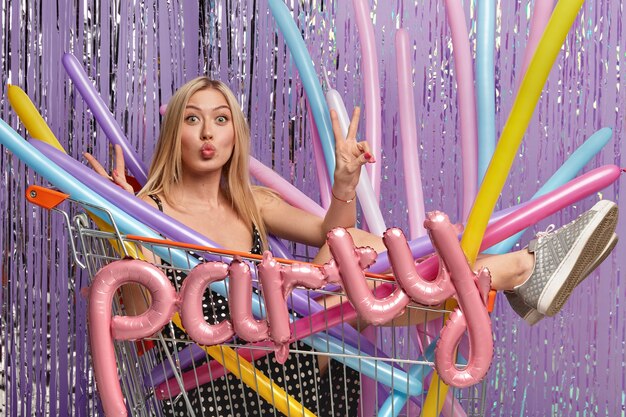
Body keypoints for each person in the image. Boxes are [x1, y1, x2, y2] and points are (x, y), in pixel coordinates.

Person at [85, 76, 618, 416]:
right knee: (358, 273)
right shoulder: (146, 213)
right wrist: (117, 227)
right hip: (216, 382)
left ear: (233, 137)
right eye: (192, 118)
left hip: (289, 351)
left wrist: (344, 186)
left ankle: (509, 275)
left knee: (357, 248)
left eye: (220, 119)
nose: (207, 131)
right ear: (173, 132)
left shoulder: (251, 202)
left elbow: (333, 235)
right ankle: (517, 272)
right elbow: (140, 323)